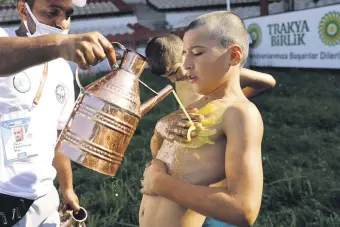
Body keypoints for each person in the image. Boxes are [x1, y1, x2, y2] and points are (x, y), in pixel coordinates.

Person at [140, 11, 265, 227]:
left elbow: (244, 210)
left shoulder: (240, 113)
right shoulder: (195, 109)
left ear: (234, 56)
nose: (186, 64)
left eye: (197, 53)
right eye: (185, 53)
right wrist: (160, 129)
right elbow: (163, 159)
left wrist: (160, 183)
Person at [0, 0, 117, 226]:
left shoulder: (62, 68)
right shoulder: (3, 41)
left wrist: (67, 188)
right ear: (23, 9)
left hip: (44, 195)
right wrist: (59, 45)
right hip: (4, 196)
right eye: (52, 12)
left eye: (68, 14)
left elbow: (59, 136)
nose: (62, 23)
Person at [145, 34, 275, 108]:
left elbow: (268, 81)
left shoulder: (215, 73)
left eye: (174, 72)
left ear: (186, 52)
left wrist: (236, 98)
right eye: (167, 77)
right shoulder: (183, 75)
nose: (173, 80)